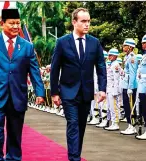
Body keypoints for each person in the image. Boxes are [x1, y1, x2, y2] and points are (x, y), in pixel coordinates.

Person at [0, 9, 45, 161]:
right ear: (2, 23)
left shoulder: (27, 46)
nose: (15, 26)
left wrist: (40, 92)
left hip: (18, 96)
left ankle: (13, 158)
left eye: (18, 23)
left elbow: (34, 71)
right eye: (11, 23)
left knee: (15, 132)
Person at [50, 8, 107, 161]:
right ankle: (74, 158)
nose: (87, 24)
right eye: (83, 21)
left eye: (88, 21)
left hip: (86, 92)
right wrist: (54, 92)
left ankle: (76, 154)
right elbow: (55, 69)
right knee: (73, 124)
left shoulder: (94, 43)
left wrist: (102, 89)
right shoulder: (62, 42)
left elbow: (101, 67)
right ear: (74, 22)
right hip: (68, 92)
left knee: (81, 126)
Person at [120, 38, 139, 135]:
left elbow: (132, 73)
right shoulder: (126, 57)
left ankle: (132, 126)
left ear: (130, 47)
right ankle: (129, 125)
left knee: (130, 106)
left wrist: (130, 87)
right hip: (125, 84)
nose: (123, 47)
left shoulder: (132, 58)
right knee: (127, 106)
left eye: (125, 45)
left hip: (129, 85)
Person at [104, 48, 122, 131]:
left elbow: (116, 79)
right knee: (110, 106)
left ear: (115, 56)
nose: (109, 56)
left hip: (113, 89)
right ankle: (113, 122)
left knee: (114, 106)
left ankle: (116, 123)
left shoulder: (115, 65)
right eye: (109, 55)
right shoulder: (112, 64)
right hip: (109, 88)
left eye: (111, 55)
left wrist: (115, 90)